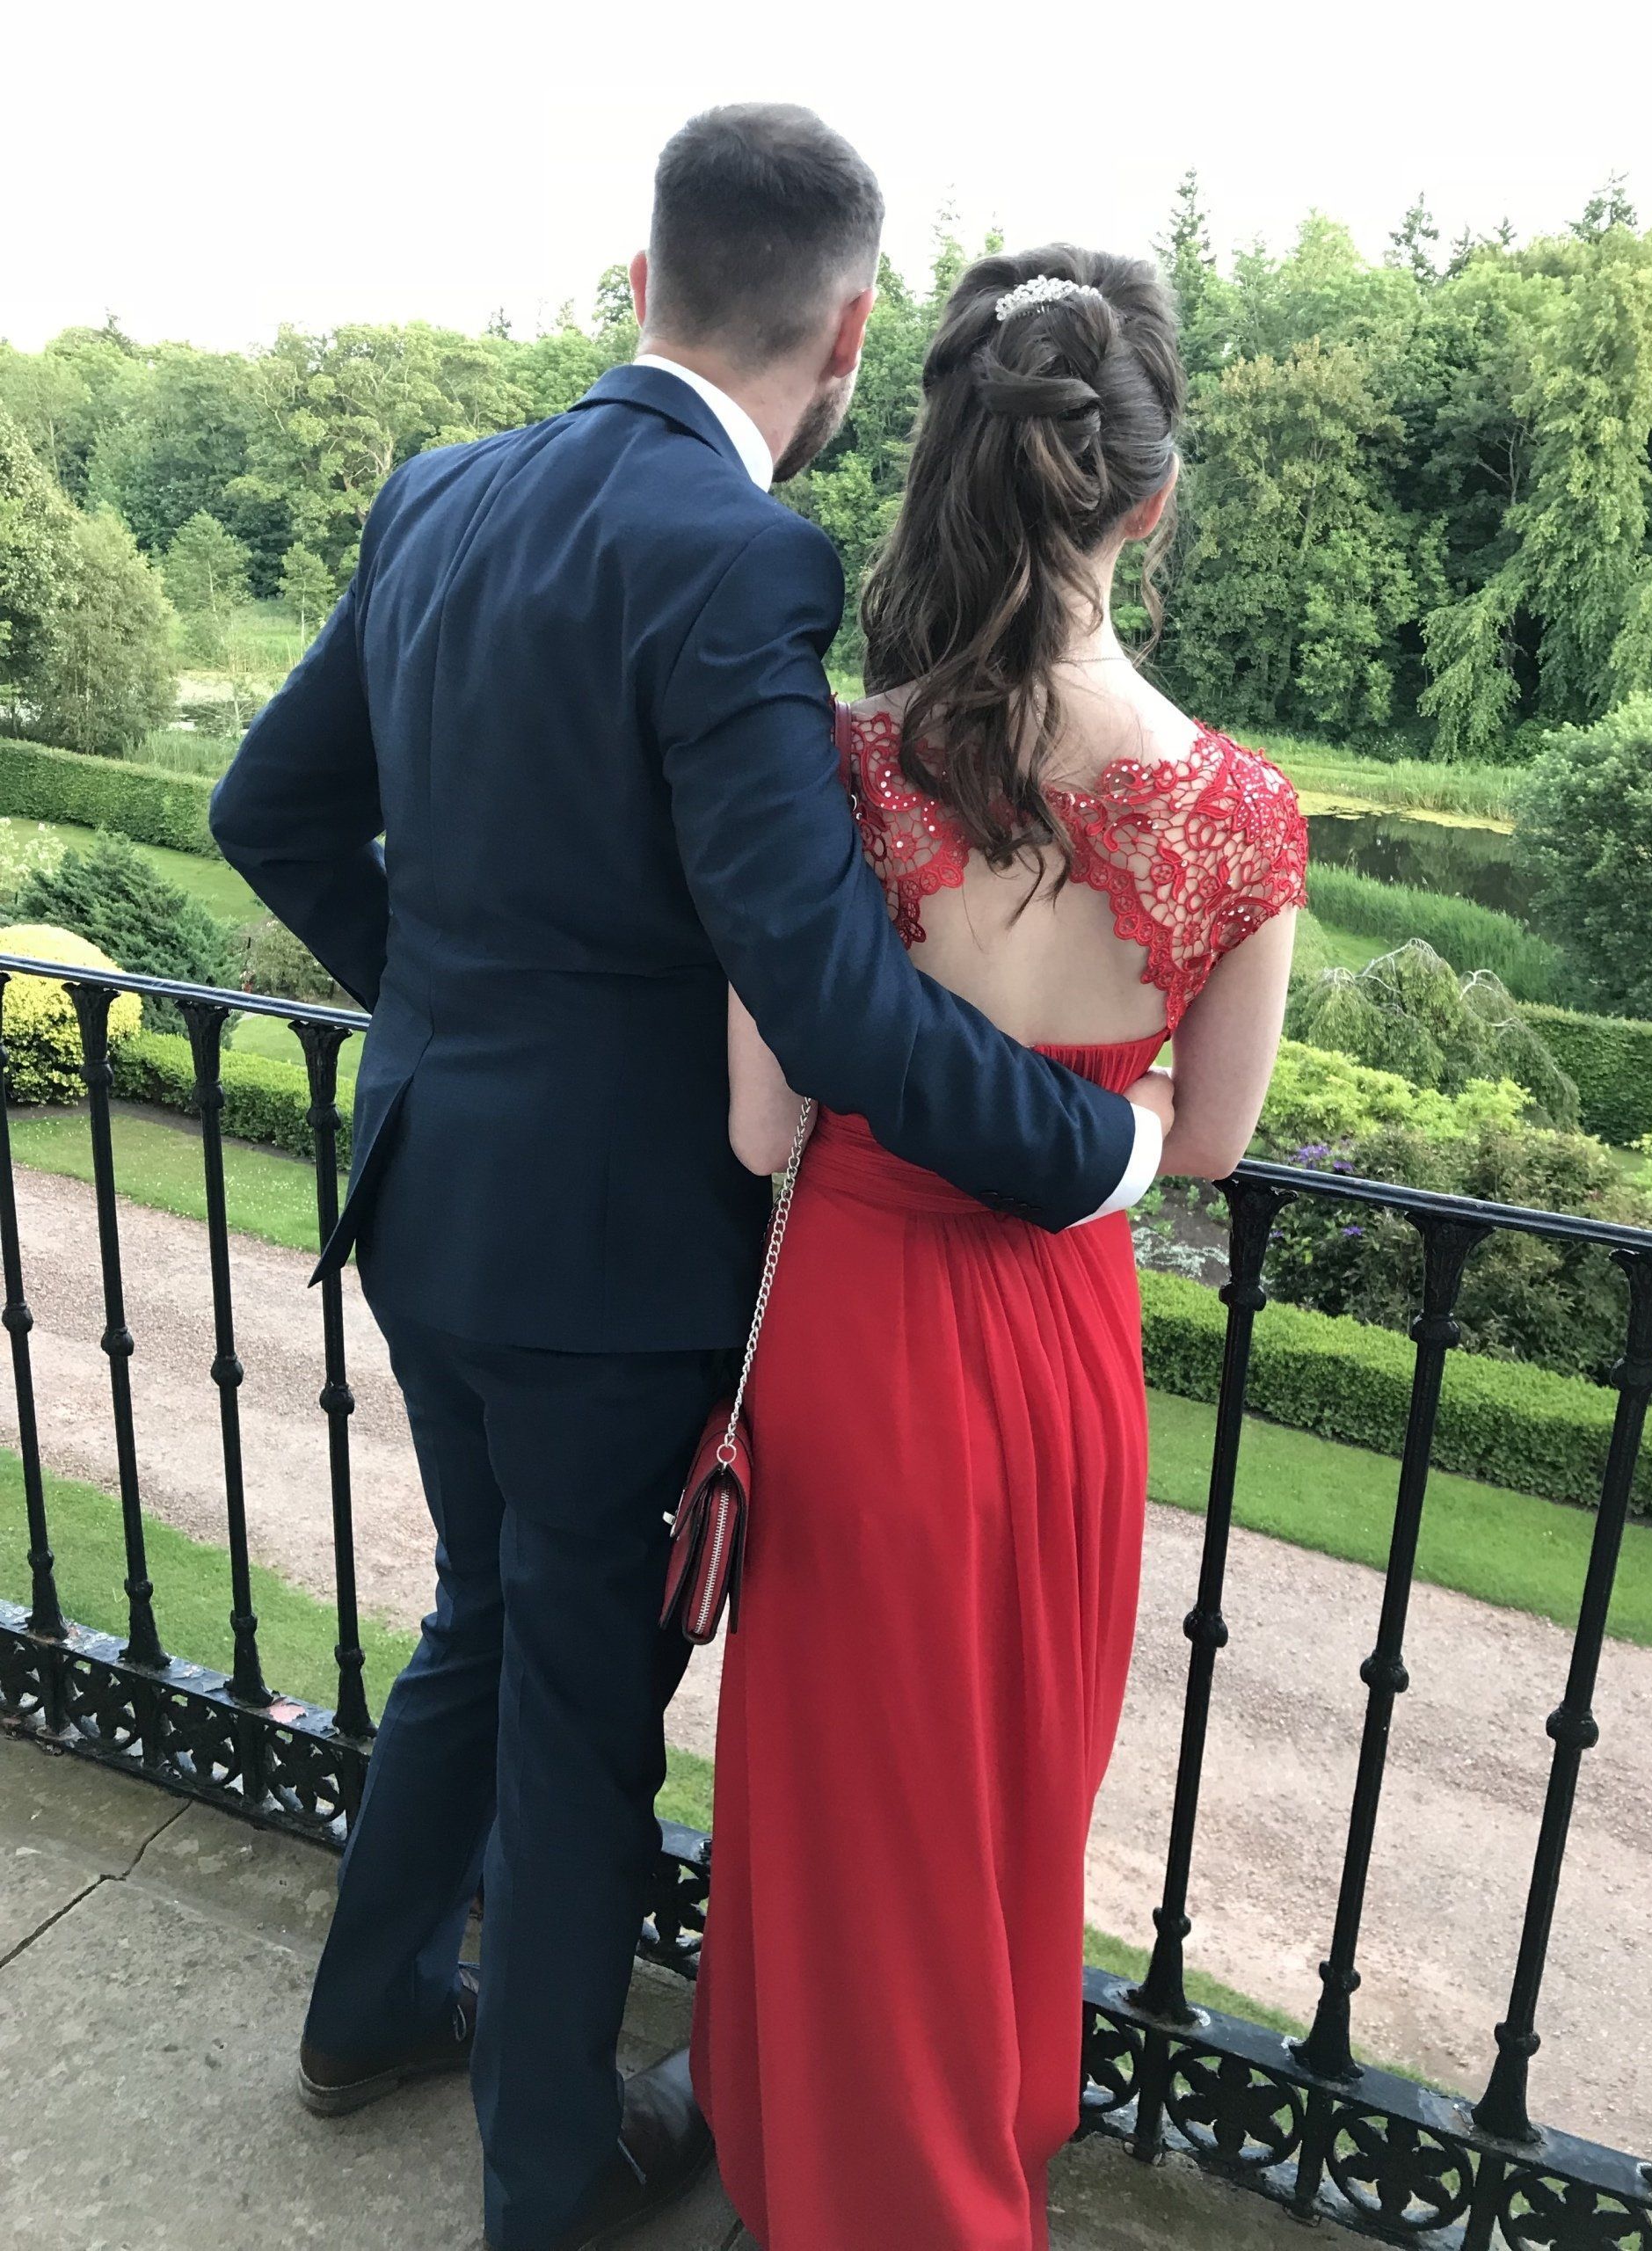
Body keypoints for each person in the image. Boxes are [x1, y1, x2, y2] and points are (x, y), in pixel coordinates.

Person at [207, 115, 1168, 2251]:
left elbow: (265, 806)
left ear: (642, 283)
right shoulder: (745, 560)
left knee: (491, 1613)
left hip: (426, 1197)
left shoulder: (438, 490)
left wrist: (449, 1022)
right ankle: (550, 2176)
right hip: (604, 1261)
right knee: (577, 1706)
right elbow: (823, 990)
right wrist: (1087, 1150)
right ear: (849, 338)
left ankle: (371, 2007)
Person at [695, 245, 1306, 2251]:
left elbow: (761, 1123)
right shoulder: (1240, 817)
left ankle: (821, 2173)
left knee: (846, 1793)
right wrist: (1100, 1098)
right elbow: (1204, 1143)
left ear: (949, 460)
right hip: (1058, 1355)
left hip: (855, 1335)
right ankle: (973, 2160)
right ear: (1151, 502)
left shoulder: (843, 766)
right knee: (1010, 1794)